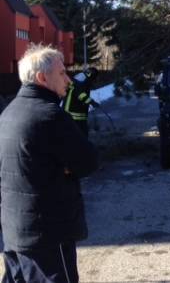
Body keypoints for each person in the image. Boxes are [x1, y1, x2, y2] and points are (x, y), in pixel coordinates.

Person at [0, 44, 99, 283]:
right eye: (62, 73)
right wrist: (66, 165)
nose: (69, 79)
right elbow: (88, 162)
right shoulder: (50, 115)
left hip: (14, 233)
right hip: (49, 235)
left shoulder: (7, 114)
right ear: (42, 77)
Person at [63, 67, 99, 137]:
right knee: (79, 136)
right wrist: (92, 102)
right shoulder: (82, 80)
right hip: (73, 113)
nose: (94, 81)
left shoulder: (81, 77)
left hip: (76, 113)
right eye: (94, 78)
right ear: (92, 75)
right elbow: (80, 94)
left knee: (81, 135)